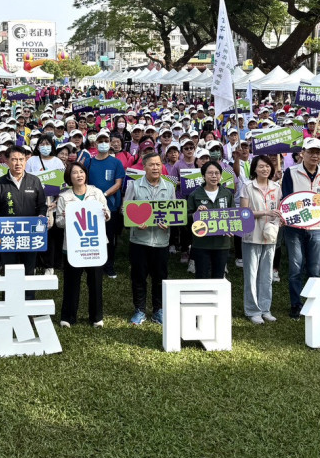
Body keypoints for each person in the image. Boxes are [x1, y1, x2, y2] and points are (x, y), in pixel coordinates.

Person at [281, 138, 320, 319]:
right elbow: (286, 198)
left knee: (315, 269)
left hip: (318, 226)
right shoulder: (291, 172)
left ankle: (314, 304)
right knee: (295, 267)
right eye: (311, 152)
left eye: (318, 152)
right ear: (302, 153)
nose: (314, 155)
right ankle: (296, 304)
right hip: (295, 227)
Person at [123, 150, 176, 325]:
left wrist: (169, 222)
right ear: (144, 167)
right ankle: (139, 310)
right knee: (138, 277)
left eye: (158, 164)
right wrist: (135, 221)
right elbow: (125, 210)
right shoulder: (134, 185)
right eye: (151, 165)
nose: (155, 168)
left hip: (161, 240)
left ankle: (158, 310)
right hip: (139, 240)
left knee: (160, 277)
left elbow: (174, 212)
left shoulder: (169, 187)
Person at [56, 161, 109, 327]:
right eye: (74, 172)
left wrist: (105, 214)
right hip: (73, 247)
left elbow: (107, 213)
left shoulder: (96, 192)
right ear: (69, 177)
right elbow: (58, 222)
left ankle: (96, 317)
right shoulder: (64, 197)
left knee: (95, 282)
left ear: (85, 174)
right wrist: (65, 218)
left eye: (81, 172)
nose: (79, 175)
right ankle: (68, 317)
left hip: (94, 245)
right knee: (71, 282)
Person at [0, 145, 48, 279]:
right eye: (14, 159)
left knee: (28, 272)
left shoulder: (34, 181)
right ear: (7, 161)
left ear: (26, 161)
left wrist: (41, 215)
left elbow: (42, 205)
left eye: (21, 159)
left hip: (30, 235)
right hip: (8, 235)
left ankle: (28, 293)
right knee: (10, 272)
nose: (18, 163)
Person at [238, 155, 282, 324]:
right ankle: (252, 310)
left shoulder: (276, 187)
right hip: (252, 235)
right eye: (261, 166)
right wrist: (265, 213)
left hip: (270, 236)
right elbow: (244, 212)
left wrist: (280, 219)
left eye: (267, 166)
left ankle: (265, 309)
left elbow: (280, 209)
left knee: (267, 275)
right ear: (254, 169)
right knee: (251, 275)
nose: (265, 169)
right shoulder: (247, 187)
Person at [83, 131, 125, 279]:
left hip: (110, 205)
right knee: (93, 235)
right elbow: (84, 182)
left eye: (106, 141)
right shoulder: (89, 162)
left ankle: (109, 265)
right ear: (95, 143)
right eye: (100, 141)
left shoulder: (116, 163)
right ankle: (93, 264)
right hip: (91, 204)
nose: (103, 143)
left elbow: (118, 184)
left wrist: (103, 196)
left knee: (109, 236)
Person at [185, 161, 234, 280]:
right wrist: (196, 214)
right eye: (210, 173)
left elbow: (233, 215)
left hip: (222, 244)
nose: (214, 176)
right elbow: (186, 218)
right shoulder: (195, 195)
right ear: (203, 176)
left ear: (221, 175)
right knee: (202, 277)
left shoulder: (227, 194)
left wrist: (232, 228)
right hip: (201, 243)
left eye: (217, 173)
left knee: (219, 277)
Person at [26, 134, 66, 275]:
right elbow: (26, 180)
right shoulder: (32, 161)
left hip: (52, 204)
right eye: (42, 144)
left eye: (47, 144)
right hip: (34, 203)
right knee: (35, 234)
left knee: (51, 236)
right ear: (37, 147)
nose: (45, 147)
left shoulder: (57, 162)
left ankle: (49, 265)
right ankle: (34, 264)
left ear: (52, 146)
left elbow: (63, 185)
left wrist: (56, 202)